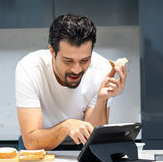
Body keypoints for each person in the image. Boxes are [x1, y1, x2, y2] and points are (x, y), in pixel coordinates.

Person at [15, 14, 127, 150]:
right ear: (52, 51)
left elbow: (94, 142)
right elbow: (32, 142)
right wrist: (66, 126)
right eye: (68, 61)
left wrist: (102, 99)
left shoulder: (103, 70)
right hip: (40, 144)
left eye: (85, 60)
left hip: (82, 144)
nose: (76, 69)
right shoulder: (29, 68)